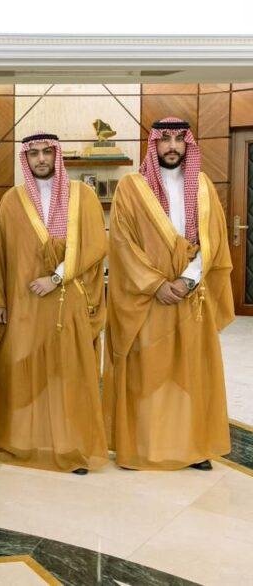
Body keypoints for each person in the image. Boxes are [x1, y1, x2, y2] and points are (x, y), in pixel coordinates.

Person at [104, 117, 234, 470]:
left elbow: (214, 239)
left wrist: (188, 279)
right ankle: (141, 447)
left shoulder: (203, 186)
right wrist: (157, 284)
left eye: (179, 139)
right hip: (148, 298)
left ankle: (191, 448)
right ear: (154, 144)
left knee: (190, 372)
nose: (172, 146)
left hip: (191, 296)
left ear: (187, 144)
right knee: (148, 372)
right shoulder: (131, 187)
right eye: (165, 139)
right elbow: (122, 243)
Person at [0, 133, 108, 474]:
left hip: (67, 301)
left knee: (68, 375)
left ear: (57, 155)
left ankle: (73, 448)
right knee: (22, 372)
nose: (41, 159)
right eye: (34, 154)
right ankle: (23, 444)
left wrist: (56, 277)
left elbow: (94, 246)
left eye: (46, 152)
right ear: (25, 159)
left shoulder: (82, 195)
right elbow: (0, 255)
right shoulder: (12, 200)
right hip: (23, 303)